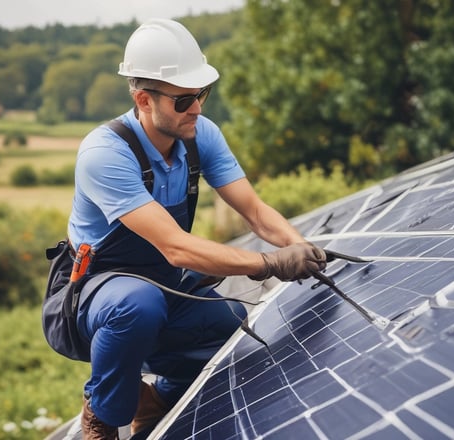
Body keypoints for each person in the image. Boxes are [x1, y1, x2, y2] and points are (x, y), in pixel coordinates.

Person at [68, 19, 326, 439]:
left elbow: (256, 213)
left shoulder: (199, 134)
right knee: (138, 304)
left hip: (164, 283)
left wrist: (302, 248)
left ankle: (157, 401)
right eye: (184, 99)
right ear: (143, 100)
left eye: (202, 94)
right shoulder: (105, 154)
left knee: (227, 321)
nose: (198, 108)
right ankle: (102, 413)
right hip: (99, 295)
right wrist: (268, 262)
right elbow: (175, 247)